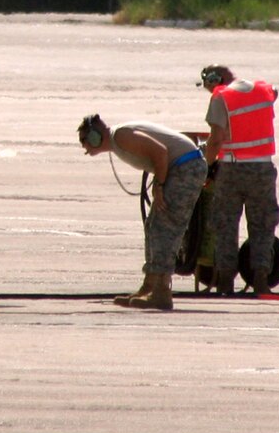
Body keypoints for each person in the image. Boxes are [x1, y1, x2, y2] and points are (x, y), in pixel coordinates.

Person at [77, 113, 206, 311]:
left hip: (186, 168)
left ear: (95, 137)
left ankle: (162, 292)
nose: (86, 146)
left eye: (86, 141)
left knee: (166, 228)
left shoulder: (121, 136)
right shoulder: (118, 139)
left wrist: (160, 186)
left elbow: (160, 152)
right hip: (181, 168)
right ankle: (151, 284)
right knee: (154, 225)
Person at [200, 64, 279, 295]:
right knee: (263, 225)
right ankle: (261, 278)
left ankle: (226, 281)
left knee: (225, 224)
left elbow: (215, 140)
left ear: (215, 80)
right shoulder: (264, 90)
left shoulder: (221, 98)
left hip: (232, 169)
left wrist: (204, 167)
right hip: (263, 170)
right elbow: (274, 93)